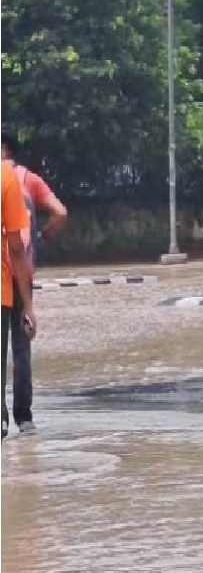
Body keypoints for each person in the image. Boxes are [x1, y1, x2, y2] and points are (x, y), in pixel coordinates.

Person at [1, 131, 68, 434]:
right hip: (20, 274)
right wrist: (42, 238)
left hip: (6, 275)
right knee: (21, 347)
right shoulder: (27, 180)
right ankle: (24, 418)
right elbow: (60, 213)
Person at [3, 160, 37, 440]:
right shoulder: (9, 179)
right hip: (10, 283)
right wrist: (28, 305)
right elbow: (17, 247)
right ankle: (21, 417)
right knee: (20, 351)